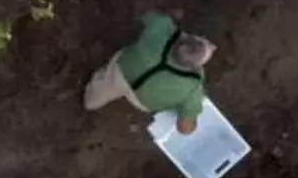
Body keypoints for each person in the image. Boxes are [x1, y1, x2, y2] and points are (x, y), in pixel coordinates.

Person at [84, 12, 216, 135]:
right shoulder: (193, 86)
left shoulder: (161, 27)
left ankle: (91, 101)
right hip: (142, 101)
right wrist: (191, 124)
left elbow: (147, 17)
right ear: (195, 66)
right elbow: (184, 129)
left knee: (95, 97)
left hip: (122, 71)